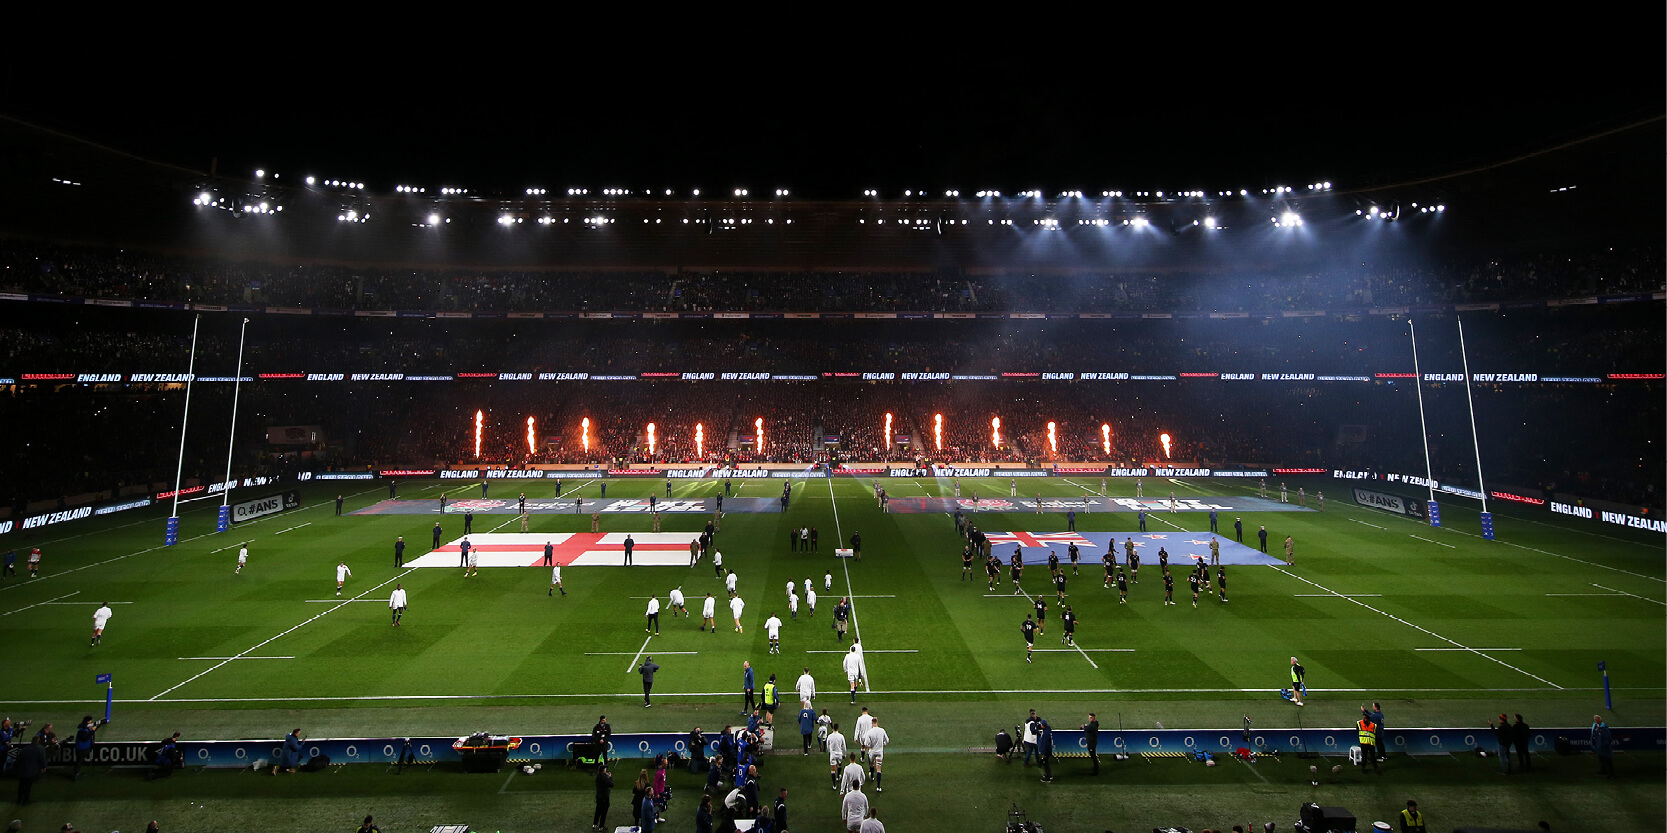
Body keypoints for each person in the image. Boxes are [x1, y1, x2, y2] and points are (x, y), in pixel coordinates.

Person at [15, 736, 46, 804]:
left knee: (21, 785)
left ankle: (19, 799)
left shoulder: (25, 749)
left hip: (22, 770)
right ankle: (26, 799)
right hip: (32, 770)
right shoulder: (40, 748)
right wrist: (43, 767)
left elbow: (18, 760)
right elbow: (42, 759)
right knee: (28, 785)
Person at [864, 717, 889, 791]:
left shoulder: (869, 732)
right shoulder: (882, 730)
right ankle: (878, 787)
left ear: (872, 723)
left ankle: (871, 775)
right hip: (879, 752)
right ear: (877, 722)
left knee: (871, 764)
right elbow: (887, 740)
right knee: (879, 769)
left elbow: (866, 743)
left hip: (872, 751)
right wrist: (883, 744)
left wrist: (870, 746)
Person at [72, 715, 101, 780]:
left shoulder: (84, 727)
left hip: (84, 747)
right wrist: (93, 731)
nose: (91, 722)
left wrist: (98, 725)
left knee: (80, 761)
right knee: (79, 761)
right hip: (81, 748)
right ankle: (76, 774)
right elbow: (86, 738)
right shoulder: (82, 730)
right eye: (90, 721)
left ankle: (77, 772)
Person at [825, 722, 848, 790]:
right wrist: (844, 754)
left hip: (833, 754)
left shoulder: (829, 736)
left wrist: (830, 751)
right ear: (838, 728)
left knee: (833, 769)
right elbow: (844, 746)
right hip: (839, 753)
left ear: (833, 729)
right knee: (840, 765)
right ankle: (838, 776)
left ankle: (834, 785)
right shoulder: (841, 736)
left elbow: (827, 746)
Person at [1037, 718, 1055, 782]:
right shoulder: (1047, 730)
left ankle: (1048, 776)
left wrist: (1044, 754)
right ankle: (1049, 775)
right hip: (1047, 750)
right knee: (1046, 763)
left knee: (1045, 764)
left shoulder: (1046, 733)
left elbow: (1046, 744)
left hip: (1046, 751)